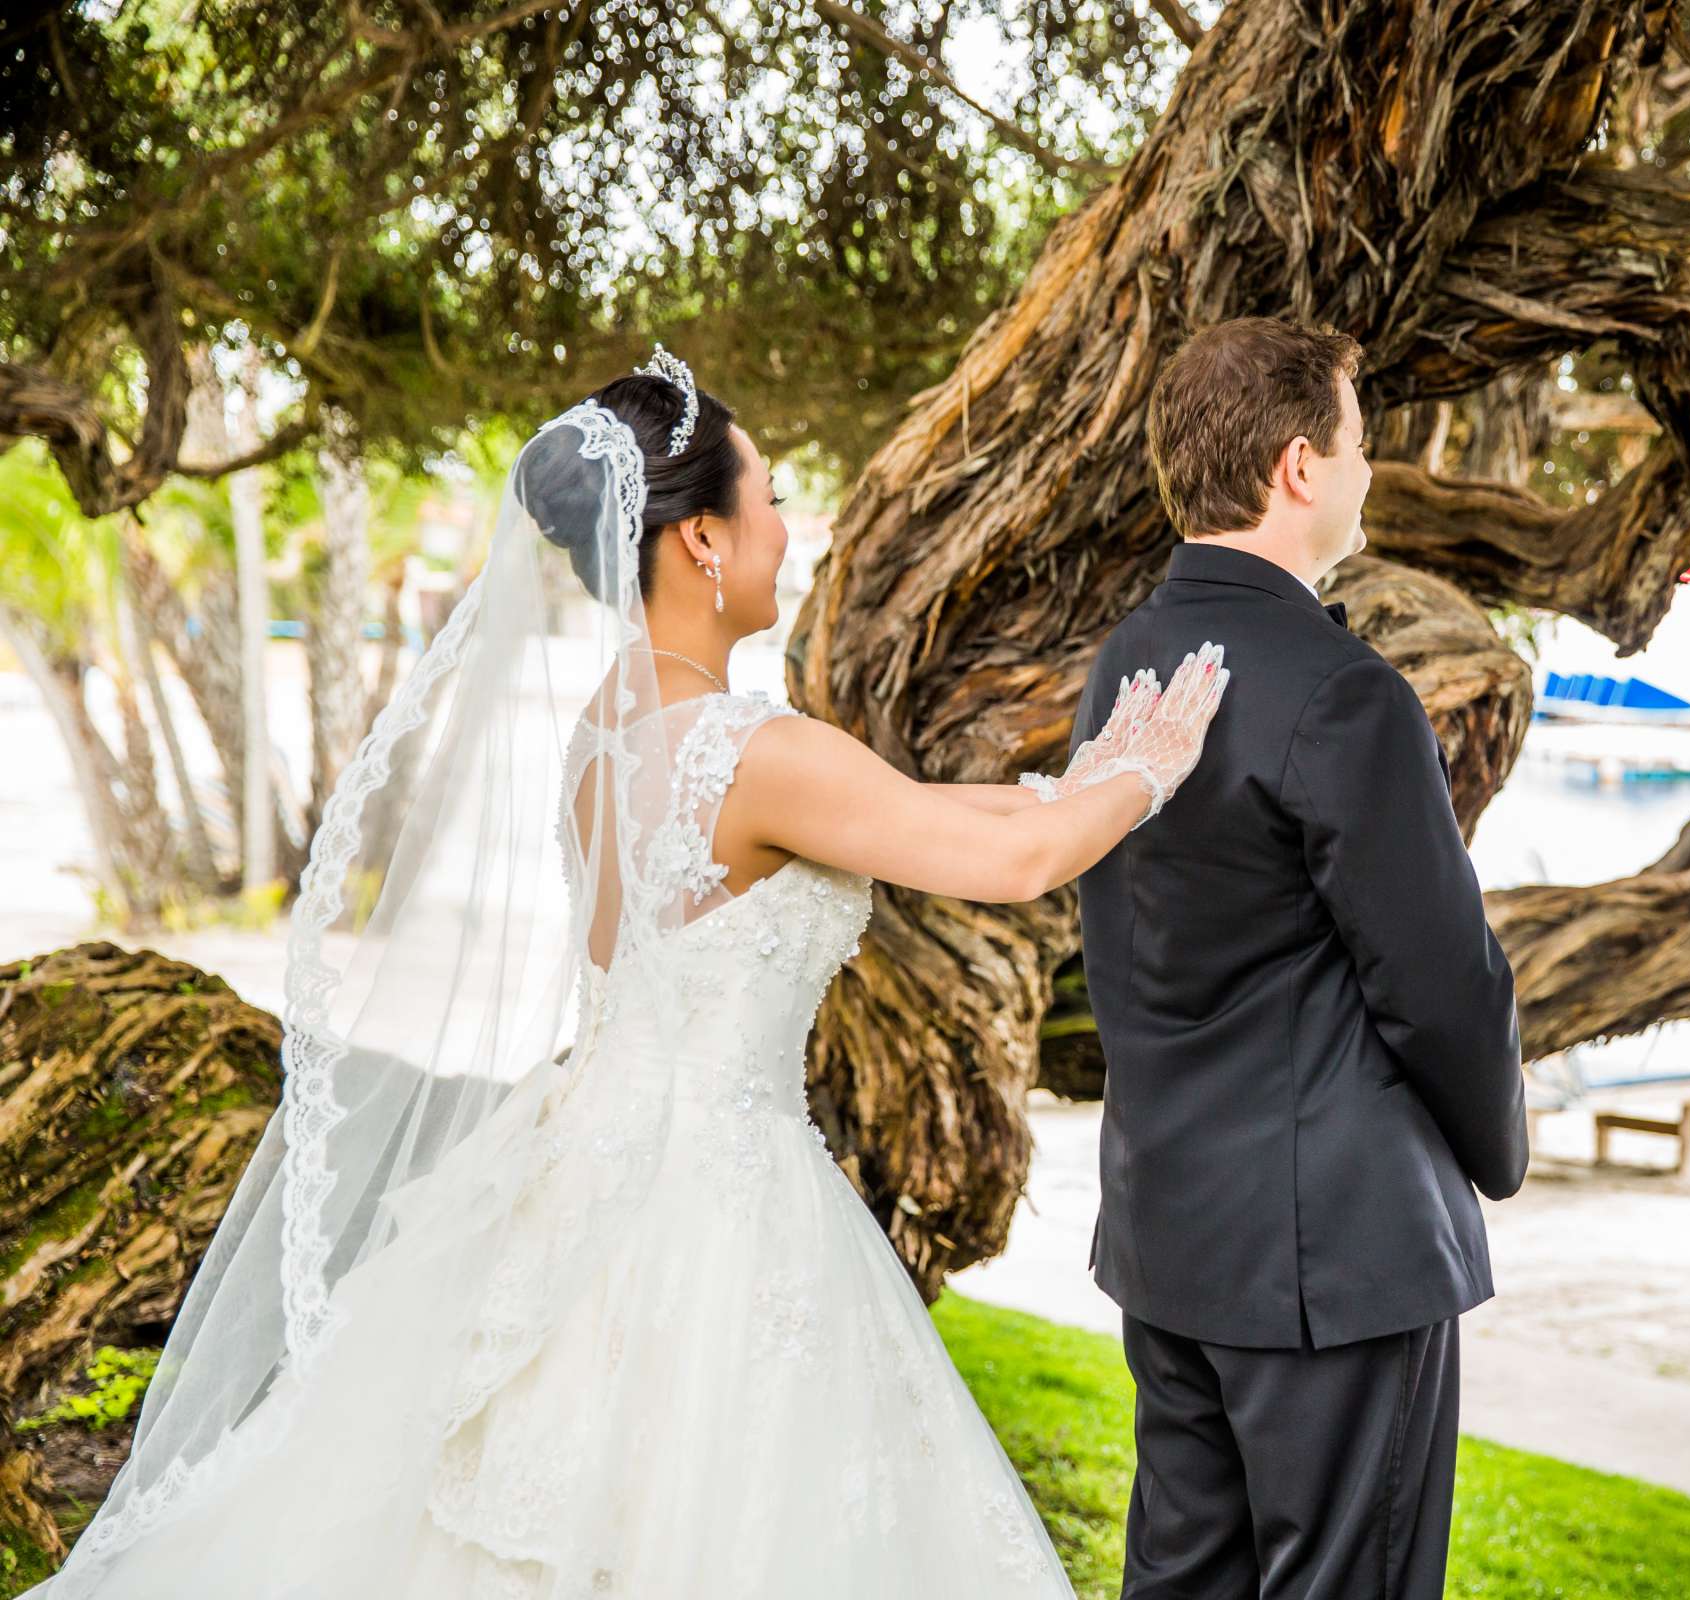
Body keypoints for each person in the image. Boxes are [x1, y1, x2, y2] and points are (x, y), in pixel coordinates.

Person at [31, 349, 1229, 1598]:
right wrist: (1153, 765)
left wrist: (1085, 776)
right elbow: (1015, 860)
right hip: (716, 1202)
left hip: (577, 1163)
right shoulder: (753, 748)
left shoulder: (610, 723)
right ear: (703, 540)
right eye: (767, 501)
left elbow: (922, 809)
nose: (784, 528)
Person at [1042, 317, 1529, 1600]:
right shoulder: (1344, 691)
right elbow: (1442, 984)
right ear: (1301, 466)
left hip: (1171, 1233)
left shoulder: (1124, 669)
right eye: (1360, 442)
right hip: (1337, 1267)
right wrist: (1502, 1153)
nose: (1370, 471)